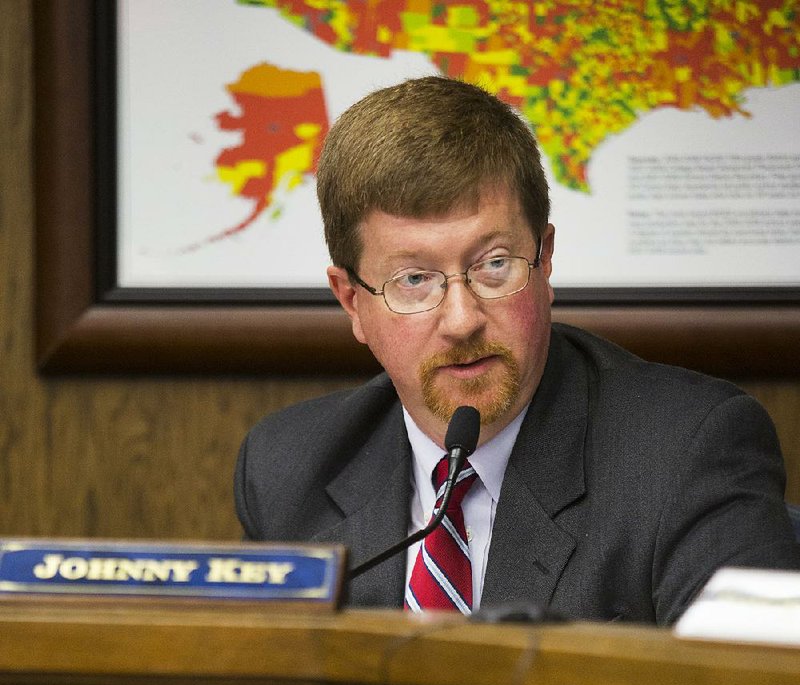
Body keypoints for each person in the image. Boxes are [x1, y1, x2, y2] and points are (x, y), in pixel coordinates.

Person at [234, 76, 800, 625]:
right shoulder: (289, 469)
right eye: (413, 280)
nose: (461, 320)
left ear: (545, 259)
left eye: (494, 265)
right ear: (352, 301)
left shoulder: (686, 453)